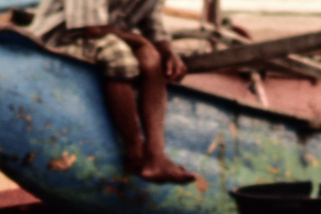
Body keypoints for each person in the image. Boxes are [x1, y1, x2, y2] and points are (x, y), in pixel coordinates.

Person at [28, 0, 197, 183]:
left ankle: (157, 157)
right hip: (58, 39)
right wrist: (142, 41)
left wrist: (169, 52)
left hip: (109, 35)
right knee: (119, 55)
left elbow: (154, 28)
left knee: (151, 58)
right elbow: (92, 28)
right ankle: (135, 150)